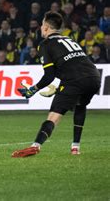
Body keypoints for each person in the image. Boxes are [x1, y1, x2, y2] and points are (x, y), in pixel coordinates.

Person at [12, 12, 100, 157]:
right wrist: (60, 88)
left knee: (54, 116)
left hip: (74, 81)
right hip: (94, 77)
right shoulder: (69, 39)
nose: (41, 28)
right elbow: (74, 64)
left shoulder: (45, 44)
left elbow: (49, 76)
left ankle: (36, 146)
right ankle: (75, 147)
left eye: (42, 25)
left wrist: (32, 90)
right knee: (80, 105)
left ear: (46, 27)